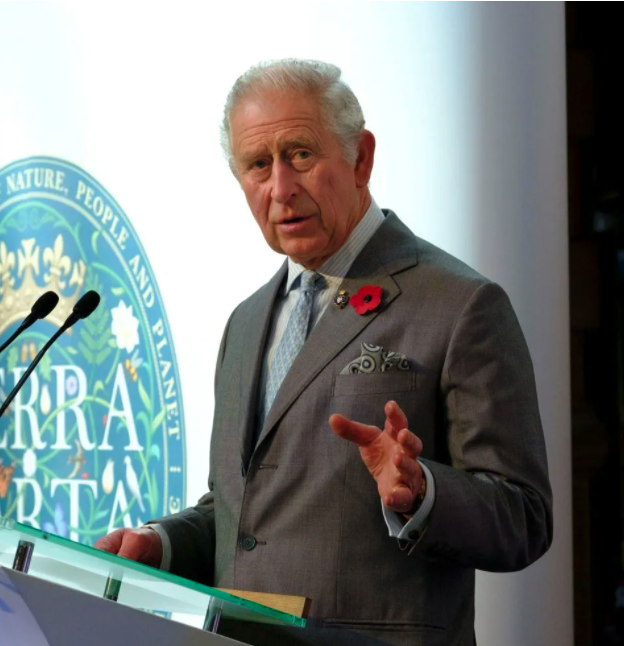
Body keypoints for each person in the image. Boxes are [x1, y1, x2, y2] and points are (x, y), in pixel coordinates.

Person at [95, 59, 553, 646]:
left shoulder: (462, 304)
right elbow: (244, 514)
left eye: (301, 155)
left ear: (360, 158)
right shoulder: (246, 322)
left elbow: (524, 516)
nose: (280, 188)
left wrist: (423, 492)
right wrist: (161, 544)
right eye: (258, 165)